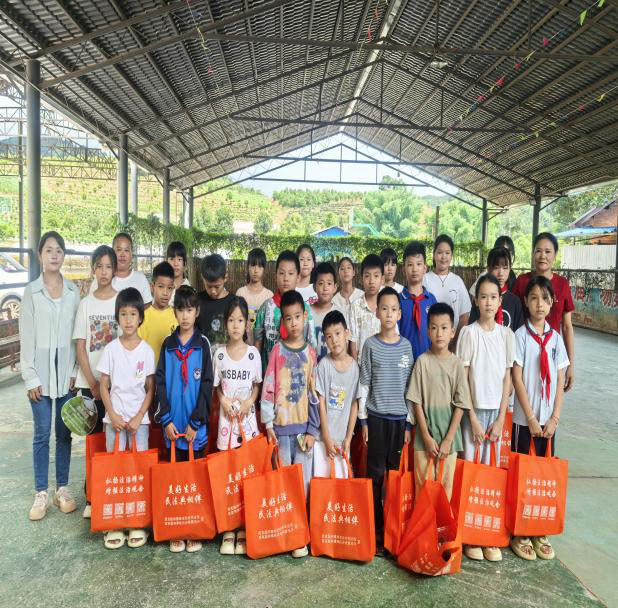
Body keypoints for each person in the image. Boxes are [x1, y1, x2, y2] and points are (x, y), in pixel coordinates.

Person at [20, 231, 80, 521]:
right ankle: (41, 492)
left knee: (64, 433)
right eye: (49, 250)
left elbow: (77, 336)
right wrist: (30, 377)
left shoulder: (73, 292)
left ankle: (62, 489)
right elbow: (26, 337)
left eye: (59, 250)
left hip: (66, 373)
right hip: (40, 375)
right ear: (40, 255)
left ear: (63, 255)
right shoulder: (31, 292)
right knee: (42, 434)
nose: (54, 255)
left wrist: (76, 371)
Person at [510, 276, 569, 562]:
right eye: (533, 298)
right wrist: (531, 418)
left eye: (545, 299)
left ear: (552, 302)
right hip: (525, 421)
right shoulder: (520, 336)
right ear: (525, 302)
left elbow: (559, 380)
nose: (539, 304)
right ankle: (520, 531)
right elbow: (517, 378)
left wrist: (555, 417)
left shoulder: (556, 339)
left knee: (542, 477)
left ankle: (538, 528)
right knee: (522, 475)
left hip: (549, 422)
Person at [456, 275, 514, 562]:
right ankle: (470, 536)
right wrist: (473, 418)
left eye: (493, 297)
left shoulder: (506, 336)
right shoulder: (469, 333)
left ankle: (487, 534)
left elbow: (507, 379)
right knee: (472, 471)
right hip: (473, 413)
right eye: (483, 297)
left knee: (491, 475)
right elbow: (463, 378)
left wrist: (501, 418)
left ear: (500, 301)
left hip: (496, 415)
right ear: (476, 301)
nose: (488, 302)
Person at [260, 289, 319, 558]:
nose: (293, 322)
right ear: (282, 321)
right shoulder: (276, 351)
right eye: (288, 318)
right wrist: (268, 424)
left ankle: (300, 535)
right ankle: (284, 532)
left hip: (304, 430)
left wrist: (313, 429)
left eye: (297, 317)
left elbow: (314, 393)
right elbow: (269, 387)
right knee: (283, 482)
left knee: (303, 484)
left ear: (305, 317)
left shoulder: (311, 353)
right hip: (281, 431)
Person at [155, 285, 213, 553]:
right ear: (175, 312)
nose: (185, 315)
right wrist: (166, 420)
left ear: (197, 311)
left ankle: (194, 528)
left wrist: (196, 423)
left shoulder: (203, 345)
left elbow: (207, 386)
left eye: (190, 310)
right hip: (172, 428)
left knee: (195, 481)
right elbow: (159, 383)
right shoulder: (167, 346)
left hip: (194, 429)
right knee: (175, 481)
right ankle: (177, 528)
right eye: (181, 310)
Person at [97, 288, 155, 550]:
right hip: (115, 422)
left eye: (133, 314)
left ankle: (137, 522)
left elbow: (150, 388)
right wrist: (113, 415)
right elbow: (103, 385)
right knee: (115, 471)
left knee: (138, 471)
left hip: (139, 423)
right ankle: (115, 523)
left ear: (140, 317)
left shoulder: (147, 351)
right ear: (117, 317)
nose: (128, 319)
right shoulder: (110, 349)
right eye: (123, 314)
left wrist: (139, 415)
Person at [358, 287, 413, 553]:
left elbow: (411, 389)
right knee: (376, 476)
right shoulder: (370, 345)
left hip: (399, 422)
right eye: (384, 309)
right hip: (376, 420)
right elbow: (364, 383)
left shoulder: (407, 347)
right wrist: (363, 421)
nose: (389, 314)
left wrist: (409, 424)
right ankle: (377, 530)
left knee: (394, 477)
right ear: (377, 312)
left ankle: (393, 530)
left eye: (393, 309)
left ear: (400, 314)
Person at [212, 296, 262, 556]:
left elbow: (257, 386)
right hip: (226, 425)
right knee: (228, 475)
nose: (235, 325)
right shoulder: (219, 354)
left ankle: (244, 526)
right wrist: (223, 401)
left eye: (240, 320)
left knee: (246, 475)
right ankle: (228, 527)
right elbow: (217, 388)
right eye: (231, 320)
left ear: (246, 324)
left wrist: (248, 402)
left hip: (248, 425)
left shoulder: (253, 354)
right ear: (225, 323)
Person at [407, 303, 471, 501]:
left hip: (449, 439)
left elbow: (461, 404)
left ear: (452, 332)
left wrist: (449, 439)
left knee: (445, 489)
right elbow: (416, 401)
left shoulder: (457, 364)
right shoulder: (422, 361)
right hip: (424, 439)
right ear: (428, 331)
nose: (439, 333)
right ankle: (423, 522)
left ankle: (440, 523)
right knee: (422, 488)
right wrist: (426, 436)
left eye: (444, 328)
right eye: (434, 328)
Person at [74, 245, 121, 518]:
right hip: (89, 384)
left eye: (108, 266)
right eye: (99, 266)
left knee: (112, 439)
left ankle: (109, 492)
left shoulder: (121, 302)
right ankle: (92, 496)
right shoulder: (86, 304)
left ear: (115, 270)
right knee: (92, 440)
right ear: (93, 269)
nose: (104, 271)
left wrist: (109, 383)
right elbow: (81, 346)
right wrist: (93, 383)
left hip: (116, 386)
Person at [512, 232, 575, 391]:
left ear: (555, 255)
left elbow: (567, 326)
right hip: (524, 353)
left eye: (548, 251)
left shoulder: (562, 284)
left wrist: (570, 364)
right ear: (533, 253)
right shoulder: (522, 282)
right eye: (538, 251)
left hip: (553, 352)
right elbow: (512, 318)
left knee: (551, 396)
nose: (542, 256)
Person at [313, 310, 359, 479]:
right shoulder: (324, 365)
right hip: (322, 440)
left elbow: (354, 405)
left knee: (341, 486)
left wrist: (348, 438)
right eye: (329, 336)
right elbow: (321, 403)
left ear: (346, 333)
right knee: (322, 485)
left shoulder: (354, 368)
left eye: (338, 333)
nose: (334, 340)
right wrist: (326, 437)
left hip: (343, 441)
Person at [254, 250, 317, 373]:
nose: (286, 278)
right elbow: (258, 344)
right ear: (275, 276)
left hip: (298, 377)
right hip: (270, 377)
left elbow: (312, 345)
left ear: (298, 277)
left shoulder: (305, 310)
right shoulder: (265, 308)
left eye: (291, 273)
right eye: (282, 273)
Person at [423, 234, 471, 345]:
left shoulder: (457, 281)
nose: (443, 257)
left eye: (447, 253)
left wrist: (454, 343)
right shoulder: (425, 279)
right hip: (428, 343)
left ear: (451, 256)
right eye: (440, 252)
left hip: (452, 342)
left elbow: (464, 315)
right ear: (434, 254)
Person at [398, 241, 437, 360]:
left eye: (419, 264)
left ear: (425, 268)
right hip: (403, 361)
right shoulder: (397, 300)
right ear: (403, 269)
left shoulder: (431, 300)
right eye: (410, 265)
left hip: (428, 361)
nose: (414, 269)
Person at [469, 247, 524, 331]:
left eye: (505, 268)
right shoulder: (481, 298)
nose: (501, 273)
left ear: (510, 269)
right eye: (496, 267)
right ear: (488, 269)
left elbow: (519, 332)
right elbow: (472, 329)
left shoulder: (515, 301)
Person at [89, 233, 152, 306]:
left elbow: (148, 304)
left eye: (126, 250)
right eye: (119, 250)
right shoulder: (101, 279)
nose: (122, 255)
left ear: (131, 254)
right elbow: (91, 305)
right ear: (112, 253)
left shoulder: (141, 279)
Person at [349, 254, 388, 363]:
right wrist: (355, 368)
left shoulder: (387, 305)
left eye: (376, 276)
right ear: (361, 279)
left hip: (383, 364)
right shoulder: (355, 306)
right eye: (367, 276)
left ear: (382, 279)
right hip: (361, 365)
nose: (371, 281)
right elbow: (352, 341)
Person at [138, 261, 177, 365]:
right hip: (149, 372)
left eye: (169, 288)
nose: (165, 293)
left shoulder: (177, 315)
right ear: (152, 287)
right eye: (160, 286)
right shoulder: (143, 317)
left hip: (171, 373)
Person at [197, 254, 235, 357]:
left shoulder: (234, 303)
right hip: (202, 360)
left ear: (225, 277)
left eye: (217, 286)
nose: (213, 291)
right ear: (203, 278)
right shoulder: (197, 301)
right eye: (209, 286)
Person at [236, 248, 273, 345]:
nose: (256, 270)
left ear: (264, 269)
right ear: (247, 267)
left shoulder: (269, 295)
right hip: (243, 347)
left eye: (260, 266)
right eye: (253, 265)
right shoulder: (240, 293)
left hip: (263, 347)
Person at [310, 261, 342, 361]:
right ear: (314, 287)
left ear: (335, 287)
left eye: (329, 283)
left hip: (333, 366)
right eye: (321, 283)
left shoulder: (340, 313)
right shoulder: (306, 313)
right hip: (310, 367)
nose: (325, 288)